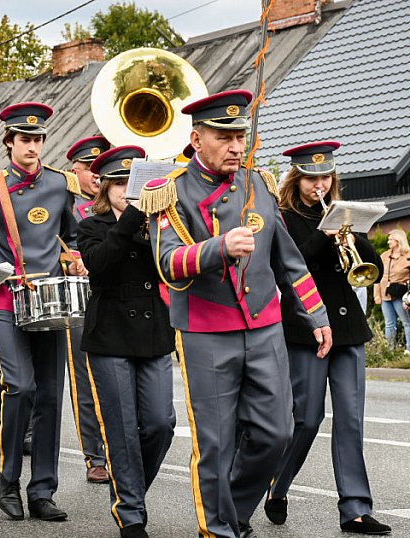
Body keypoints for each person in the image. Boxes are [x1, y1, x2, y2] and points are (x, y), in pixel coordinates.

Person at [142, 90, 332, 538]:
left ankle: (235, 510)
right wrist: (217, 248)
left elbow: (289, 261)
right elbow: (168, 264)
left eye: (239, 136)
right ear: (196, 138)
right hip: (206, 330)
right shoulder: (168, 192)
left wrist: (316, 314)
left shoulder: (259, 184)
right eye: (224, 136)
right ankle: (219, 529)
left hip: (264, 326)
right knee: (215, 443)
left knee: (276, 434)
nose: (235, 146)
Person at [265, 142, 391, 535]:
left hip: (348, 328)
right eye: (311, 178)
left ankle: (355, 508)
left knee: (351, 420)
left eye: (325, 177)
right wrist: (326, 233)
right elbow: (292, 264)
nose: (319, 184)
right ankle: (277, 486)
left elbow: (366, 261)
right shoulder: (281, 216)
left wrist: (353, 235)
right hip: (305, 327)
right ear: (296, 178)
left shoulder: (342, 213)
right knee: (306, 419)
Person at [0, 102, 85, 522]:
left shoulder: (60, 184)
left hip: (49, 299)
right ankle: (8, 478)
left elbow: (72, 237)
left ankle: (42, 490)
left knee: (51, 395)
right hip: (6, 299)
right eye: (25, 140)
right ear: (9, 143)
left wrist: (76, 259)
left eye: (38, 139)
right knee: (20, 387)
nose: (33, 146)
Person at [77, 146, 176, 538]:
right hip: (110, 335)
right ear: (104, 188)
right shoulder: (91, 226)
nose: (125, 191)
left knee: (160, 424)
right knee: (121, 427)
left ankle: (130, 491)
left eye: (132, 183)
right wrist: (135, 215)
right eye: (119, 184)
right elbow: (100, 265)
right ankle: (131, 512)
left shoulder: (162, 224)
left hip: (154, 333)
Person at [64, 135, 111, 483]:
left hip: (118, 297)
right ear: (74, 171)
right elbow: (53, 246)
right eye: (88, 168)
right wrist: (69, 261)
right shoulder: (67, 206)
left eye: (100, 167)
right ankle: (95, 454)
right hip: (79, 300)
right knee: (85, 381)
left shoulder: (119, 202)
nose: (96, 175)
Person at [374, 229, 410, 352]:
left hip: (401, 295)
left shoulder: (408, 256)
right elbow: (377, 276)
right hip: (385, 295)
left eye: (391, 239)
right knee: (389, 324)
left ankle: (409, 350)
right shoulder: (384, 256)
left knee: (407, 322)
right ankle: (390, 351)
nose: (388, 241)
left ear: (398, 240)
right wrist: (376, 295)